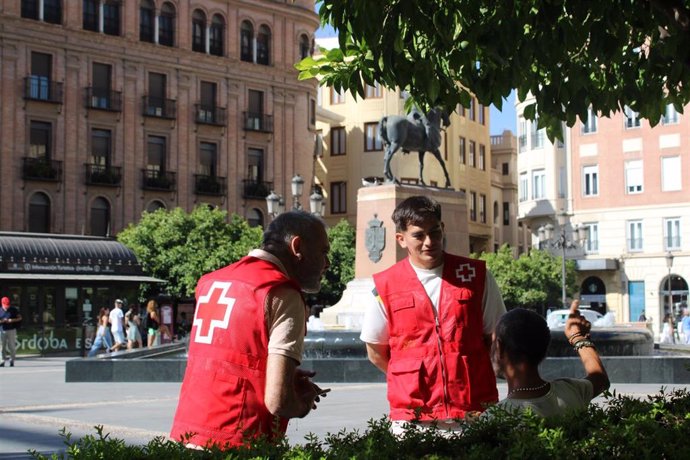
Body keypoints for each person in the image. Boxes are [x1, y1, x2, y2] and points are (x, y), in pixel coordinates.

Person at [170, 211, 331, 448]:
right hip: (238, 438)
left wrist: (273, 375)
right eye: (323, 252)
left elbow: (225, 358)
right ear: (297, 247)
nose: (327, 263)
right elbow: (279, 402)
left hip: (186, 433)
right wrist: (302, 403)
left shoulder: (211, 282)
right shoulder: (280, 293)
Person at [359, 195, 506, 433]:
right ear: (401, 239)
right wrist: (410, 376)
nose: (429, 241)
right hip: (413, 415)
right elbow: (375, 352)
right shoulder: (385, 285)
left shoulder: (475, 276)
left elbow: (496, 337)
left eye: (435, 232)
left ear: (443, 229)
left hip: (473, 410)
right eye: (419, 235)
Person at [487, 300, 610, 418]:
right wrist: (577, 337)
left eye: (492, 343)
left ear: (500, 347)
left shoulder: (492, 419)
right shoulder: (570, 392)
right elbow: (601, 380)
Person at [0, 296, 22, 367]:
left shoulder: (13, 309)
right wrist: (2, 321)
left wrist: (12, 320)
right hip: (2, 330)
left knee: (12, 346)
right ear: (2, 304)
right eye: (5, 305)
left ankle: (12, 360)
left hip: (12, 330)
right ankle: (2, 361)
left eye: (8, 305)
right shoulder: (0, 310)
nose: (7, 307)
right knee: (2, 347)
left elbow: (20, 318)